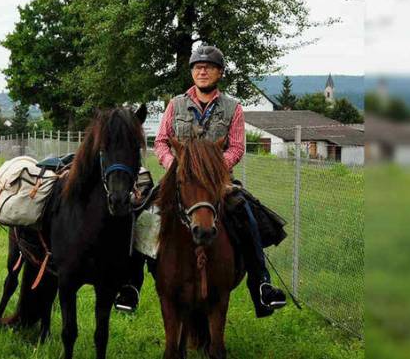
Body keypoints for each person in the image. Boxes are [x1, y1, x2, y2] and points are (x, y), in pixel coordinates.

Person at [114, 45, 287, 317]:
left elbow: (237, 148)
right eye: (197, 67)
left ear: (219, 73)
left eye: (208, 67)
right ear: (192, 72)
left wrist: (213, 169)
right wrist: (176, 167)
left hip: (217, 181)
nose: (202, 71)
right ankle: (131, 286)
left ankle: (261, 285)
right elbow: (160, 142)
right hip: (179, 178)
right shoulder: (175, 104)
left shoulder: (234, 108)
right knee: (145, 213)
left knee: (247, 213)